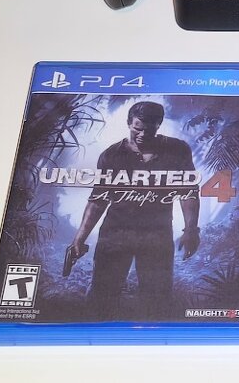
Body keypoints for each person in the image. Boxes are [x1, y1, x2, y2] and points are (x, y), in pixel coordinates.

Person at [67, 101, 199, 320]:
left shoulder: (177, 150)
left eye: (150, 128)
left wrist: (191, 230)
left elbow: (188, 192)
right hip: (115, 233)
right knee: (102, 296)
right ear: (129, 123)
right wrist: (79, 238)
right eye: (138, 128)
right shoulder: (112, 155)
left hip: (157, 235)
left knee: (157, 299)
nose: (143, 134)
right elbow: (98, 199)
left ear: (159, 124)